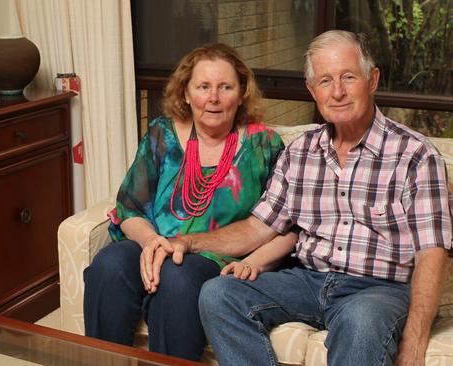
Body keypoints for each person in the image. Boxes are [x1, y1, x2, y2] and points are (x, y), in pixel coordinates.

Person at [159, 30, 452, 365]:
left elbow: (433, 253)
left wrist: (414, 342)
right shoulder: (301, 151)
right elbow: (258, 228)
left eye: (348, 77)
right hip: (307, 281)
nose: (337, 91)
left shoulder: (415, 154)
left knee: (362, 319)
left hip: (377, 290)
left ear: (372, 80)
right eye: (325, 81)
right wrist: (188, 242)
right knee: (218, 294)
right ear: (313, 91)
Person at [82, 43, 297, 361]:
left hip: (218, 257)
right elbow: (129, 207)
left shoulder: (264, 145)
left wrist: (254, 262)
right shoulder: (160, 135)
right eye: (203, 87)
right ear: (185, 93)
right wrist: (152, 241)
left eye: (225, 87)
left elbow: (288, 225)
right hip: (154, 243)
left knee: (177, 277)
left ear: (240, 94)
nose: (214, 97)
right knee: (109, 265)